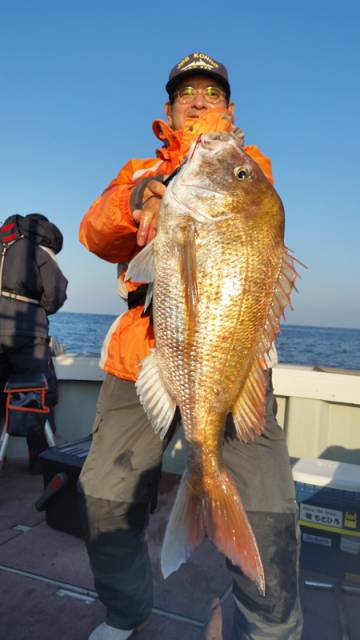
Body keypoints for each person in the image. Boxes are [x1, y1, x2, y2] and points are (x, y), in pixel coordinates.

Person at [78, 52, 303, 640]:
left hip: (231, 357)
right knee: (105, 498)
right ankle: (128, 611)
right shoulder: (138, 170)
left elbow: (247, 201)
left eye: (211, 93)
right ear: (168, 110)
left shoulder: (247, 171)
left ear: (230, 110)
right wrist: (139, 198)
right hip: (139, 355)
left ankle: (268, 630)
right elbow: (94, 234)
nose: (198, 101)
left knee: (268, 516)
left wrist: (195, 178)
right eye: (186, 94)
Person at [0, 213, 68, 473]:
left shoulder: (3, 242)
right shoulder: (39, 246)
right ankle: (41, 463)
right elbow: (55, 295)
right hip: (29, 334)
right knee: (39, 397)